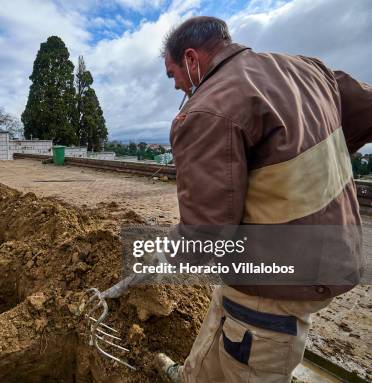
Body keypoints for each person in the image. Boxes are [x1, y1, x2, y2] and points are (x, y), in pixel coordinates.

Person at [150, 16, 372, 383]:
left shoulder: (208, 108)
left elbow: (205, 235)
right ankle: (191, 375)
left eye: (173, 75)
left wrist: (162, 253)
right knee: (224, 314)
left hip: (276, 283)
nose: (176, 87)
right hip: (319, 255)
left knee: (251, 350)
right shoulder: (310, 71)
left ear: (192, 59)